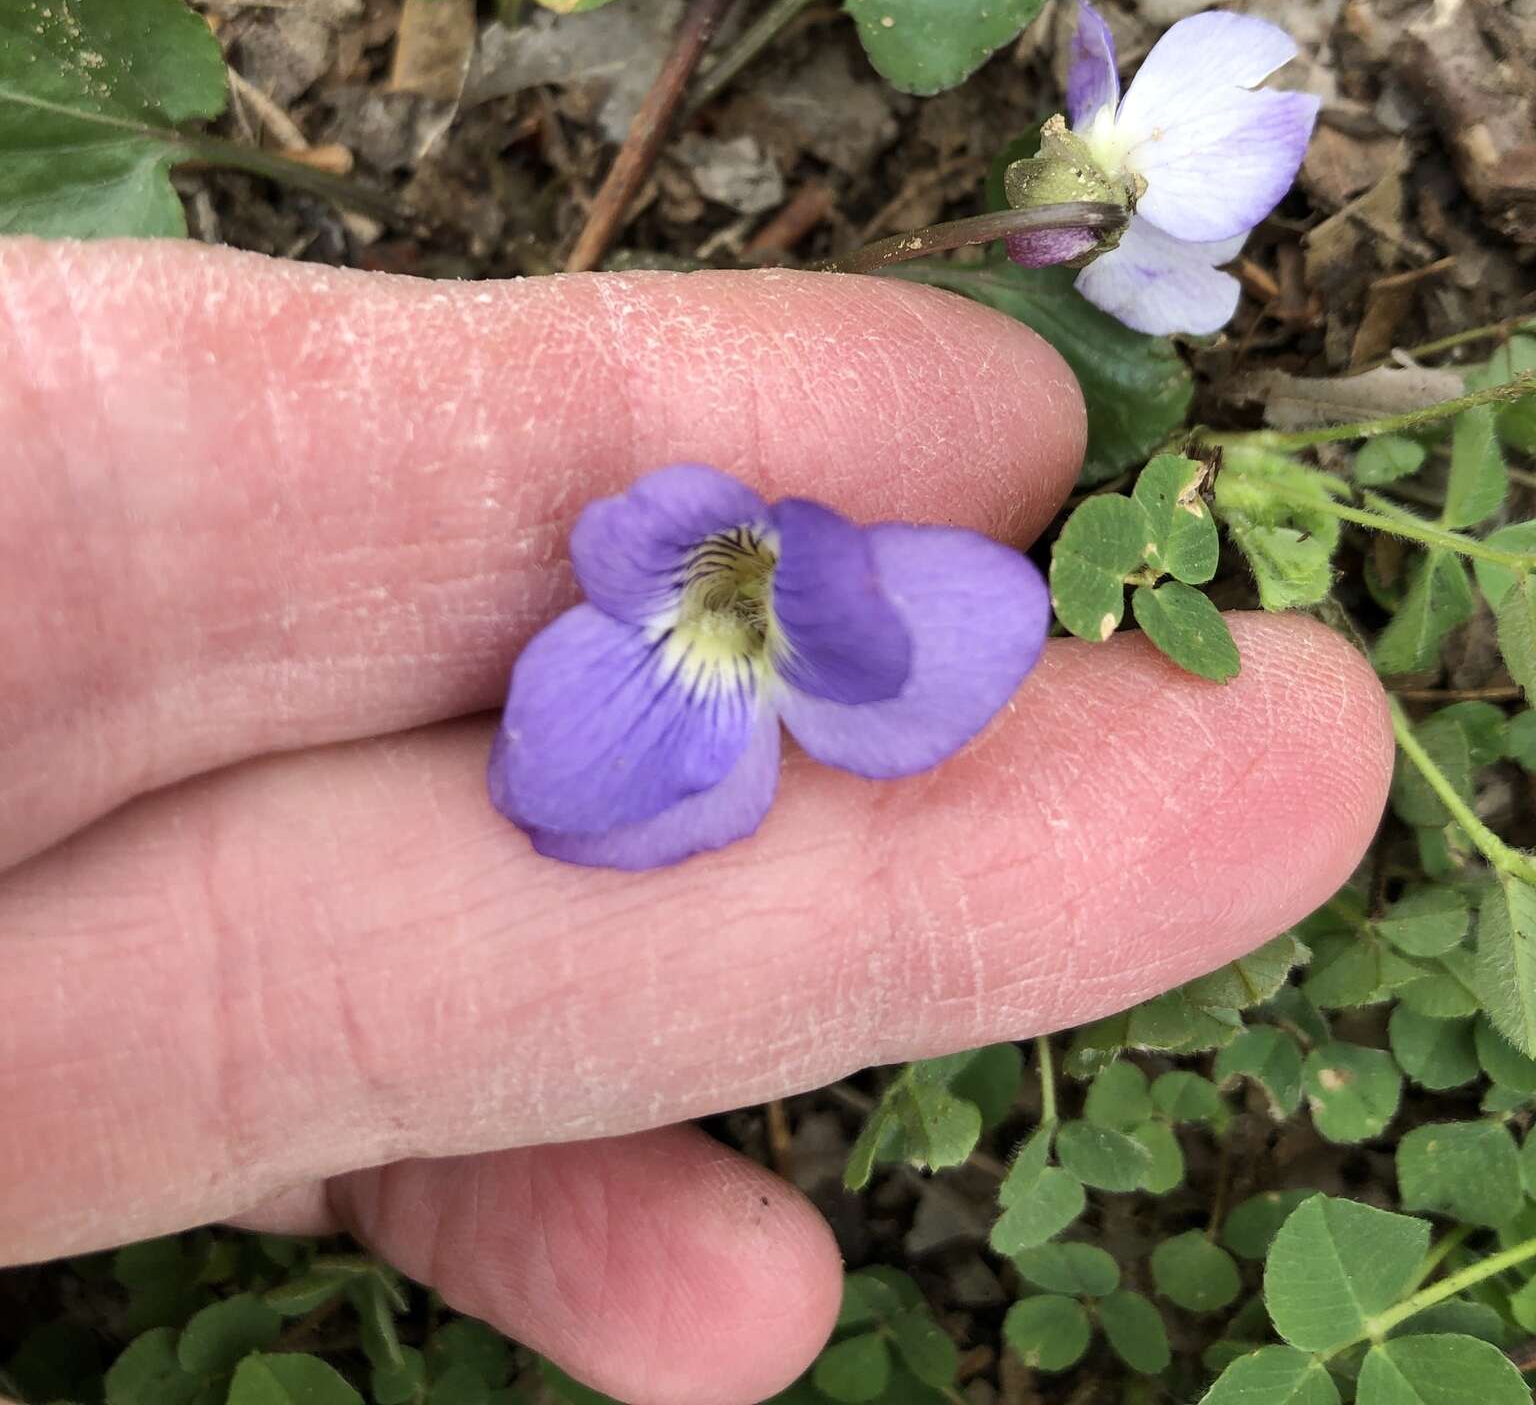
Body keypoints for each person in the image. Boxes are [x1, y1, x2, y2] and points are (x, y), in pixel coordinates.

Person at [0, 239, 1391, 1405]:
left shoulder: (843, 606)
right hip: (706, 634)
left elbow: (911, 621)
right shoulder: (723, 577)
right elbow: (638, 610)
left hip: (742, 633)